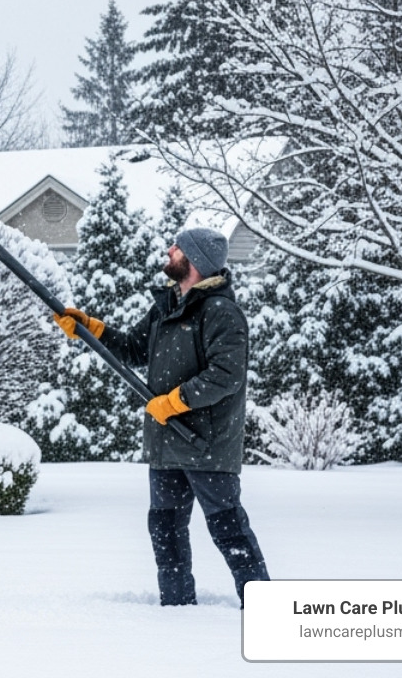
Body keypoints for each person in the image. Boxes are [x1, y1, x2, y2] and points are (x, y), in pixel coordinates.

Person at [56, 226, 269, 606]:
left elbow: (226, 376)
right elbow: (134, 349)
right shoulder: (166, 307)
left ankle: (263, 603)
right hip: (167, 441)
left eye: (178, 248)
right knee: (165, 528)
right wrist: (92, 330)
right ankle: (175, 607)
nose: (169, 251)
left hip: (206, 444)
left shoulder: (221, 312)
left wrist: (174, 402)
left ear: (196, 260)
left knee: (228, 528)